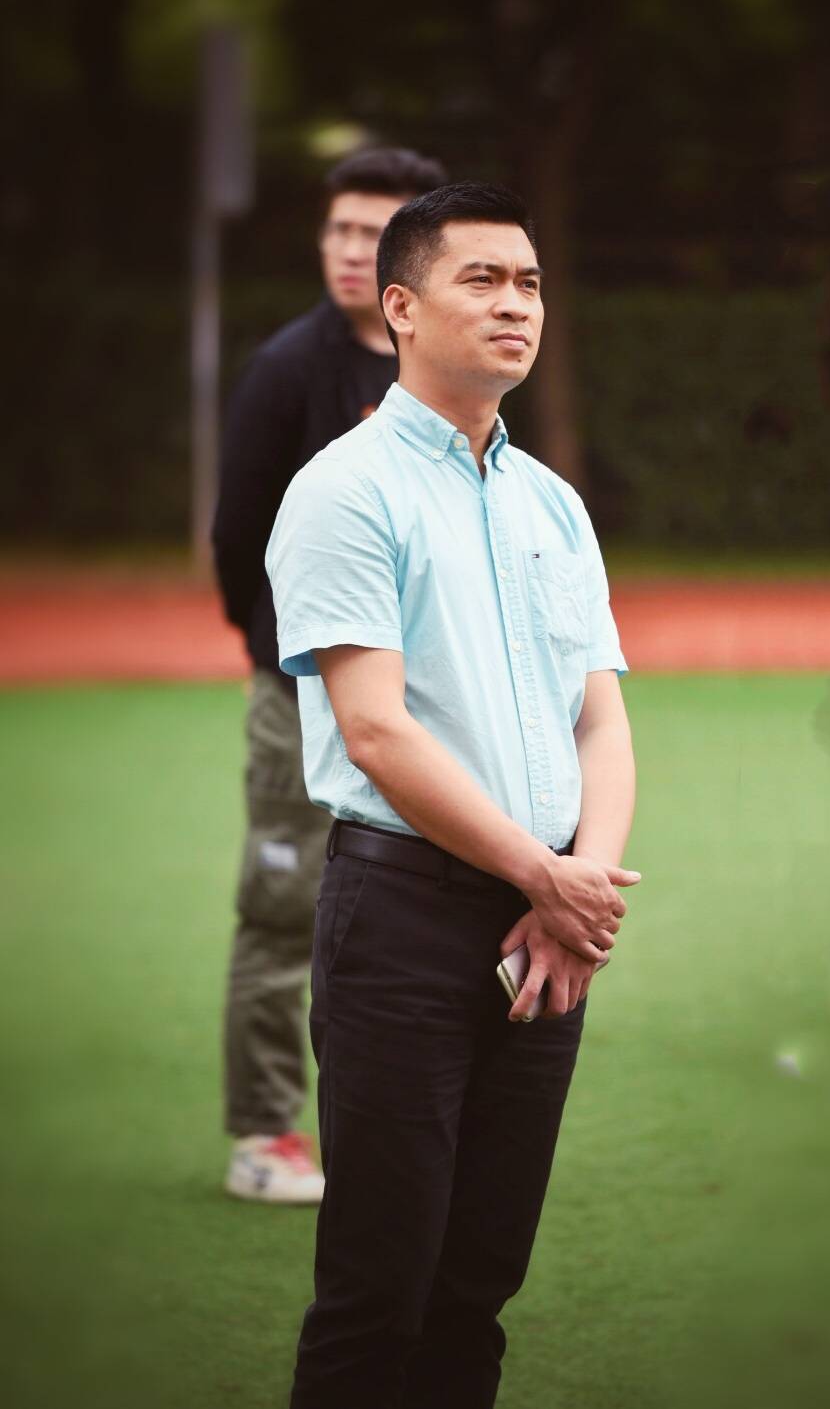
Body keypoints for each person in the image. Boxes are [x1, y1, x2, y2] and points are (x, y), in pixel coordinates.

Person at [267, 181, 639, 1405]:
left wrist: (577, 891)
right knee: (378, 1289)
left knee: (476, 1285)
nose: (513, 303)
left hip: (547, 927)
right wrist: (544, 875)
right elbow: (374, 729)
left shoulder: (551, 503)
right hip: (404, 919)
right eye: (480, 279)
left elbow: (600, 718)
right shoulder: (344, 488)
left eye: (528, 281)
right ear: (400, 307)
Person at [211, 146, 447, 1204]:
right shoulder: (285, 370)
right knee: (281, 906)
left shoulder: (441, 366)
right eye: (340, 229)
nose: (352, 250)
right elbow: (237, 536)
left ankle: (405, 1121)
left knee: (412, 907)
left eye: (376, 232)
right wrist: (279, 654)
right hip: (300, 691)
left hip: (419, 697)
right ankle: (266, 1132)